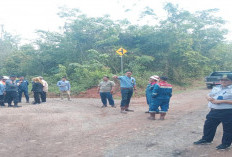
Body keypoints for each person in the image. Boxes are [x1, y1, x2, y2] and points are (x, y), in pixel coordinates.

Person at [193, 74, 232, 150]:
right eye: (222, 80)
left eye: (226, 80)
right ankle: (207, 139)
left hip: (228, 112)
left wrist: (222, 101)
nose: (223, 81)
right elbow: (209, 94)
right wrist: (208, 97)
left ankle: (226, 144)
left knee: (228, 129)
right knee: (209, 125)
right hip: (214, 111)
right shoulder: (216, 87)